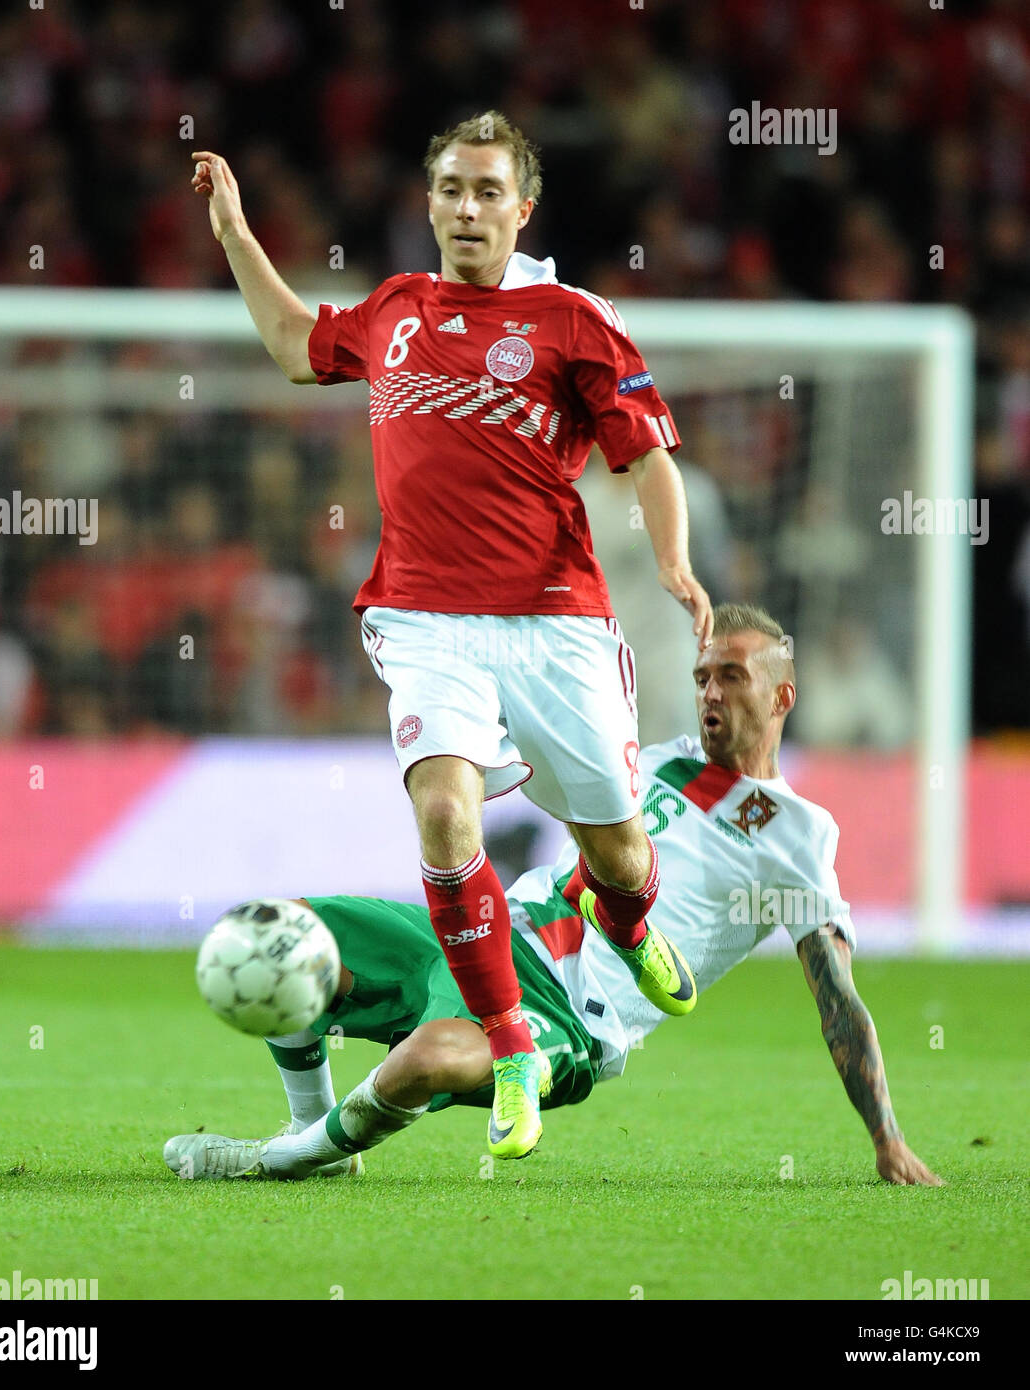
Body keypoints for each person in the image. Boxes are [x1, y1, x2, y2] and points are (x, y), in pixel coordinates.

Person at [190, 110, 713, 1159]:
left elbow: (647, 455)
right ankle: (512, 1042)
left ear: (522, 209)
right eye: (450, 191)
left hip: (556, 622)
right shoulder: (394, 310)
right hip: (427, 617)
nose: (468, 210)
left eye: (488, 193)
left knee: (615, 847)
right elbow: (298, 346)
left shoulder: (573, 319)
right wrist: (238, 235)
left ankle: (627, 919)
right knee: (442, 813)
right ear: (426, 203)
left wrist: (669, 563)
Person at [164, 604, 942, 1187]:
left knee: (430, 1056)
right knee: (291, 932)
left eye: (732, 677)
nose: (711, 691)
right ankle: (315, 1133)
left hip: (573, 1016)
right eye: (703, 675)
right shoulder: (658, 762)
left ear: (782, 696)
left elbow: (836, 993)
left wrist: (886, 1137)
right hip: (490, 938)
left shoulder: (799, 832)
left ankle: (280, 1159)